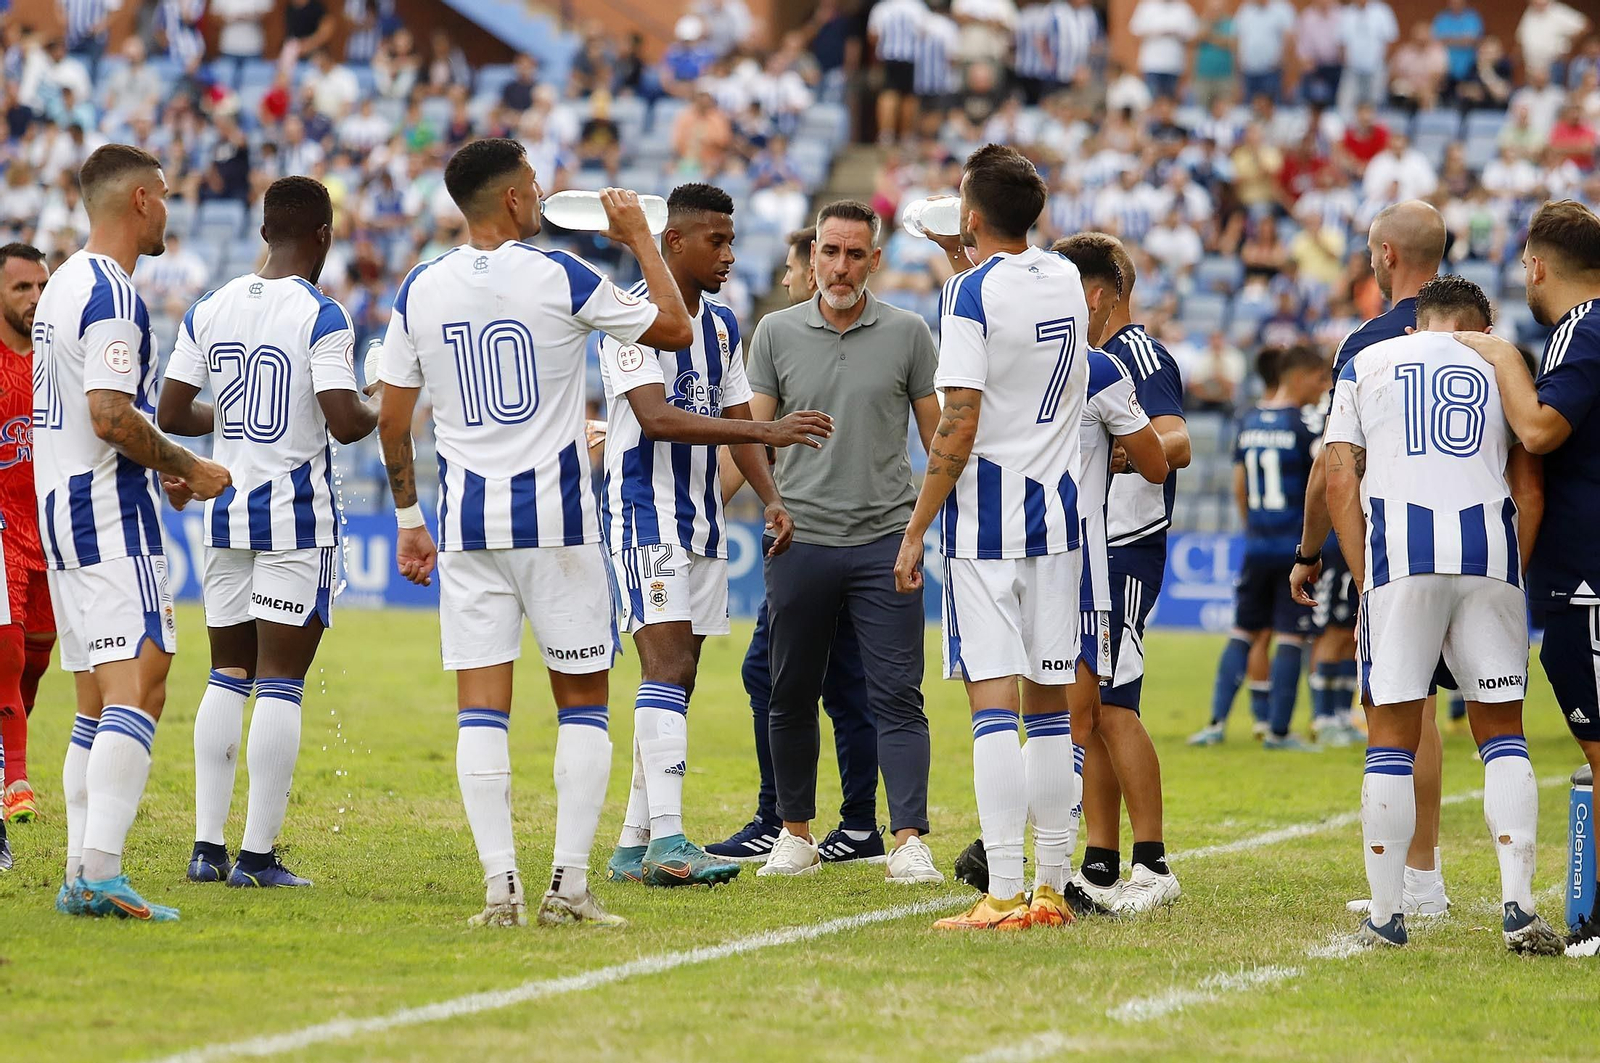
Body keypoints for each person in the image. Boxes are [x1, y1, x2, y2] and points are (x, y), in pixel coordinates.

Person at [374, 140, 695, 928]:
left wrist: (410, 518)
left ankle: (499, 889)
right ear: (514, 200)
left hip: (467, 525)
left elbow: (390, 419)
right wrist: (641, 240)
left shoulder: (419, 286)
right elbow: (675, 329)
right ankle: (569, 887)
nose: (545, 192)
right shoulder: (560, 274)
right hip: (556, 525)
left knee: (480, 708)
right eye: (536, 183)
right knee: (582, 703)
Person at [596, 184, 830, 888]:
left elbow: (731, 410)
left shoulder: (724, 325)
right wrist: (766, 428)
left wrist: (771, 498)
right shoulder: (629, 316)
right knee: (665, 670)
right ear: (674, 242)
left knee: (680, 679)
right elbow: (660, 419)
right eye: (716, 241)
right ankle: (670, 841)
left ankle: (635, 845)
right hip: (643, 514)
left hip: (699, 519)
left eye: (732, 241)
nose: (730, 254)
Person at [1324, 275, 1559, 955]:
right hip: (1489, 551)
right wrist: (1510, 566)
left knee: (1392, 733)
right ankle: (1519, 908)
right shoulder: (1502, 360)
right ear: (1480, 323)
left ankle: (1389, 914)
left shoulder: (1368, 361)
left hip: (1402, 553)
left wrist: (1367, 571)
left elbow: (1340, 475)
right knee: (1502, 734)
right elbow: (1530, 485)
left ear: (1414, 324)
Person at [157, 177, 379, 889]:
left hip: (224, 508)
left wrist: (227, 423)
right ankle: (255, 857)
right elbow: (343, 421)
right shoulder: (323, 314)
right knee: (281, 679)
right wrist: (387, 401)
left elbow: (169, 409)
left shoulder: (210, 305)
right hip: (293, 515)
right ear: (323, 235)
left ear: (261, 232)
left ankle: (205, 848)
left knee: (227, 672)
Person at [35, 144, 232, 920]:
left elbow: (102, 414)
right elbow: (111, 416)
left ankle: (82, 869)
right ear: (144, 200)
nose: (171, 213)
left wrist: (164, 467)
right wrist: (192, 463)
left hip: (61, 511)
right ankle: (101, 871)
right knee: (143, 680)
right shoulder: (113, 293)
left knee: (93, 701)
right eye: (167, 198)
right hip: (108, 515)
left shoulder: (60, 285)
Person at [894, 144, 1087, 930]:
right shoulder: (1067, 275)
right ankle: (1048, 885)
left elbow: (962, 419)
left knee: (989, 706)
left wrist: (915, 531)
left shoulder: (969, 294)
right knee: (1047, 708)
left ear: (971, 215)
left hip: (987, 523)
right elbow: (1010, 320)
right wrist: (963, 260)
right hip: (1059, 516)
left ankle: (1001, 888)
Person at [748, 199, 943, 885]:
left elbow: (939, 440)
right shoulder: (773, 333)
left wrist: (918, 532)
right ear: (813, 255)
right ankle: (795, 832)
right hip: (798, 542)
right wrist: (770, 503)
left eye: (855, 254)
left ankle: (908, 838)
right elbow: (754, 437)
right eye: (830, 251)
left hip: (884, 544)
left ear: (875, 261)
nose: (840, 265)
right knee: (790, 690)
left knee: (897, 694)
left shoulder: (911, 333)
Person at [1290, 200, 1452, 918]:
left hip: (1396, 546)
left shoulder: (1366, 340)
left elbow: (1338, 463)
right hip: (1474, 542)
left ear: (1386, 254)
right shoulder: (1477, 327)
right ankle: (1436, 879)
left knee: (1396, 709)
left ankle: (1412, 888)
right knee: (1463, 719)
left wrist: (1321, 554)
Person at [1453, 199, 1600, 958]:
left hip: (1588, 575)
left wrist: (1505, 358)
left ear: (1537, 266)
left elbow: (1541, 431)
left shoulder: (1582, 328)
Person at [708, 225, 880, 866]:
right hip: (824, 538)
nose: (785, 277)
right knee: (840, 682)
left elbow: (748, 442)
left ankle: (784, 818)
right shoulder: (796, 339)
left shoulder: (788, 340)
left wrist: (704, 505)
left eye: (790, 266)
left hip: (819, 539)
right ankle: (850, 822)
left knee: (798, 678)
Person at [1072, 238, 1191, 915]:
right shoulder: (1077, 355)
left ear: (1098, 293)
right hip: (1088, 547)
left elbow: (1176, 441)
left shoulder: (1138, 353)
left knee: (1115, 706)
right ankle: (1101, 859)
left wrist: (1121, 451)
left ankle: (1153, 860)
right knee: (1085, 714)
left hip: (1126, 546)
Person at [1193, 345, 1329, 748]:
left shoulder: (1248, 418)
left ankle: (1215, 724)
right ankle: (1279, 732)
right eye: (1317, 379)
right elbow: (1319, 485)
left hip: (1256, 544)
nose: (1320, 389)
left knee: (1243, 630)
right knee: (1290, 635)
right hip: (1292, 548)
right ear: (1298, 377)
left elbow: (1239, 485)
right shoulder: (1303, 424)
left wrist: (1253, 528)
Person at [0, 244, 54, 828]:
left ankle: (7, 756)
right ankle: (16, 777)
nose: (35, 299)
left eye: (41, 287)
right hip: (1, 529)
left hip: (49, 531)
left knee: (35, 658)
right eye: (21, 289)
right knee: (8, 651)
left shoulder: (54, 363)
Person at [867, 0, 929, 145]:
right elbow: (924, 33)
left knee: (889, 94)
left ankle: (886, 134)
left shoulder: (882, 8)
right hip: (910, 57)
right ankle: (905, 135)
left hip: (889, 56)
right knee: (908, 97)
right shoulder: (917, 7)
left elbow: (872, 36)